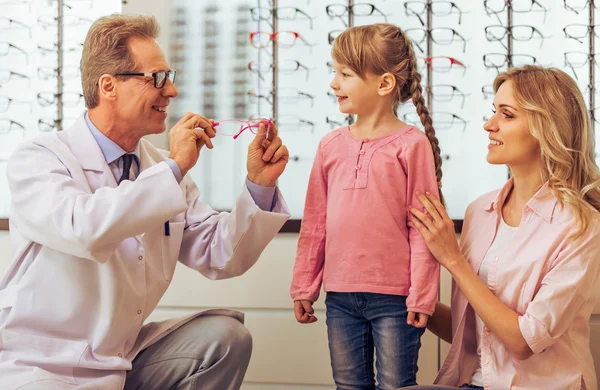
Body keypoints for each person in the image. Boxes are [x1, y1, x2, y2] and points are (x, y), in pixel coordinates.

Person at [0, 14, 291, 390]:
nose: (170, 91)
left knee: (225, 338)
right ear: (108, 86)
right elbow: (84, 229)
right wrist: (175, 167)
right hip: (42, 365)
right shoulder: (39, 158)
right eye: (157, 78)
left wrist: (259, 186)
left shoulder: (158, 169)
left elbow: (222, 254)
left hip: (120, 359)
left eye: (170, 77)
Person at [407, 65, 600, 390]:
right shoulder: (479, 212)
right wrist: (403, 296)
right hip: (471, 382)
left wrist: (452, 259)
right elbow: (474, 327)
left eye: (507, 115)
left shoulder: (581, 227)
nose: (489, 125)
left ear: (546, 127)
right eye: (493, 111)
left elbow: (523, 342)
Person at [290, 23, 444, 389]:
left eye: (345, 74)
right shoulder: (329, 145)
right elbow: (315, 224)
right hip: (340, 296)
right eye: (335, 72)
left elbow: (423, 229)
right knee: (348, 385)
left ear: (384, 83)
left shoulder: (412, 145)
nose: (334, 83)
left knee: (396, 385)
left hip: (396, 299)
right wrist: (304, 285)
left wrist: (422, 295)